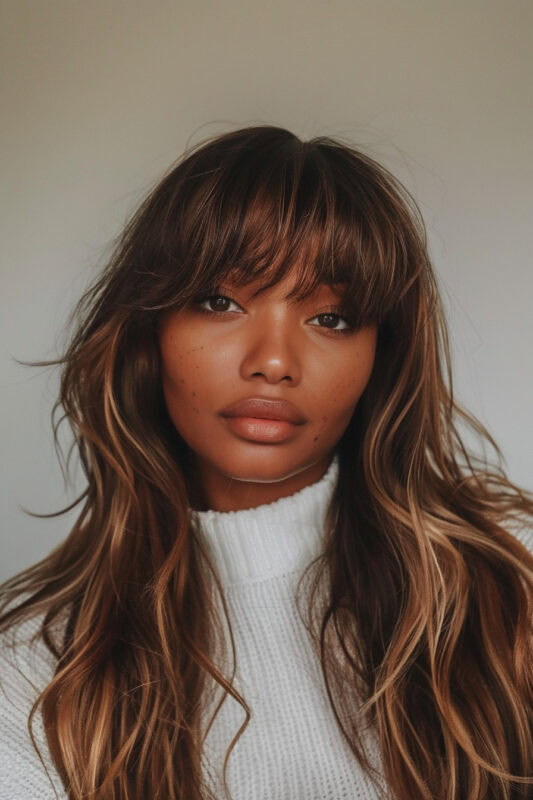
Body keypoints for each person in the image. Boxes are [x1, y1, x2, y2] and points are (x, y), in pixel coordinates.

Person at [0, 125, 532, 800]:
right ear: (149, 329)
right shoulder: (38, 667)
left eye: (331, 318)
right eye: (219, 301)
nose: (274, 361)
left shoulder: (509, 580)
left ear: (382, 357)